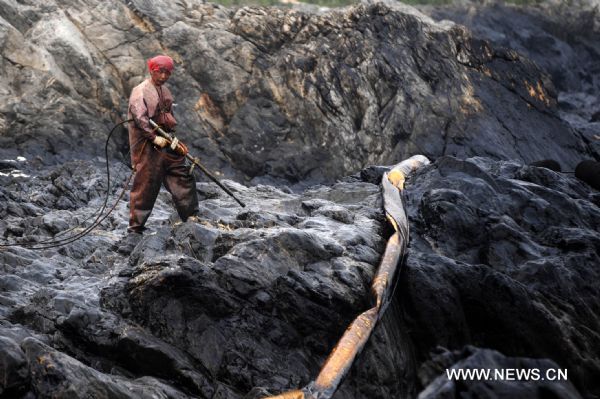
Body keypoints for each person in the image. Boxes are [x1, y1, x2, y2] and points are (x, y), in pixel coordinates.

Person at [118, 55, 199, 254]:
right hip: (147, 148)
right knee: (146, 184)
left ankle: (191, 217)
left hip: (166, 146)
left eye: (167, 73)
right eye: (159, 72)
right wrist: (153, 138)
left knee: (182, 174)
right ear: (151, 70)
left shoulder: (166, 91)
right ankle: (135, 229)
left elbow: (168, 120)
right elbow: (139, 118)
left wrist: (174, 142)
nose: (163, 76)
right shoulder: (140, 91)